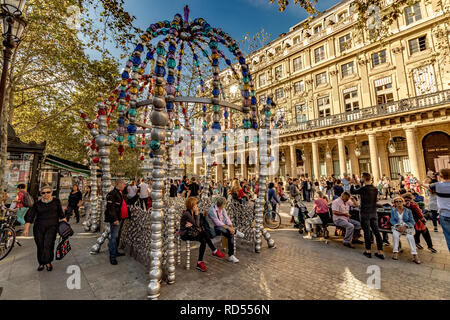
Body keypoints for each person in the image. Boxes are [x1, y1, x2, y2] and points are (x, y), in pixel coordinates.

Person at [23, 184, 66, 271]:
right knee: (40, 245)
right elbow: (30, 216)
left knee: (48, 244)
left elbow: (61, 214)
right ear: (41, 194)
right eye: (43, 193)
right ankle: (41, 263)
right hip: (39, 227)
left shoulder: (56, 201)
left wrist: (66, 227)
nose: (46, 194)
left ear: (51, 192)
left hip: (52, 227)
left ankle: (48, 262)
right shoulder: (37, 204)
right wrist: (26, 229)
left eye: (48, 192)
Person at [181, 197, 226, 271]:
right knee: (204, 233)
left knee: (204, 239)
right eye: (195, 204)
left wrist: (193, 224)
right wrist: (196, 214)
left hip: (192, 232)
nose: (197, 206)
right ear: (192, 205)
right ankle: (214, 250)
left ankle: (200, 262)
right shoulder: (187, 213)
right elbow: (197, 225)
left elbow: (195, 225)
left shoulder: (191, 212)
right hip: (185, 234)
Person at [350, 173, 384, 259]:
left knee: (367, 232)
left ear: (364, 178)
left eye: (361, 178)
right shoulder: (375, 189)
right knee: (376, 231)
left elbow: (352, 191)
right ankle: (380, 252)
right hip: (373, 212)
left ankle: (368, 251)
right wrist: (357, 183)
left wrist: (352, 184)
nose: (360, 179)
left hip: (365, 212)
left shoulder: (363, 189)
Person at [208, 197, 243, 263]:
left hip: (222, 226)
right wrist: (228, 228)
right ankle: (236, 232)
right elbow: (217, 222)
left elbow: (226, 218)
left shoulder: (222, 209)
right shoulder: (212, 210)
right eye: (223, 205)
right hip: (214, 228)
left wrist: (231, 226)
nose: (224, 206)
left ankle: (231, 256)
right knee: (229, 231)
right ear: (221, 205)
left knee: (230, 233)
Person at [390, 197, 421, 263]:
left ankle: (415, 254)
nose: (398, 203)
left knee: (410, 237)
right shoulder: (393, 211)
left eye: (400, 201)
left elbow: (412, 221)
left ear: (403, 202)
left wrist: (406, 226)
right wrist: (397, 225)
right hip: (397, 227)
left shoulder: (408, 211)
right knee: (395, 235)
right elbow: (392, 220)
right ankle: (395, 252)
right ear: (395, 203)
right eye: (396, 202)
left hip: (407, 227)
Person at [426, 168, 450, 252]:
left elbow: (424, 185)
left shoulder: (437, 185)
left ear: (440, 176)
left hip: (444, 214)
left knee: (449, 237)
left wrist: (430, 178)